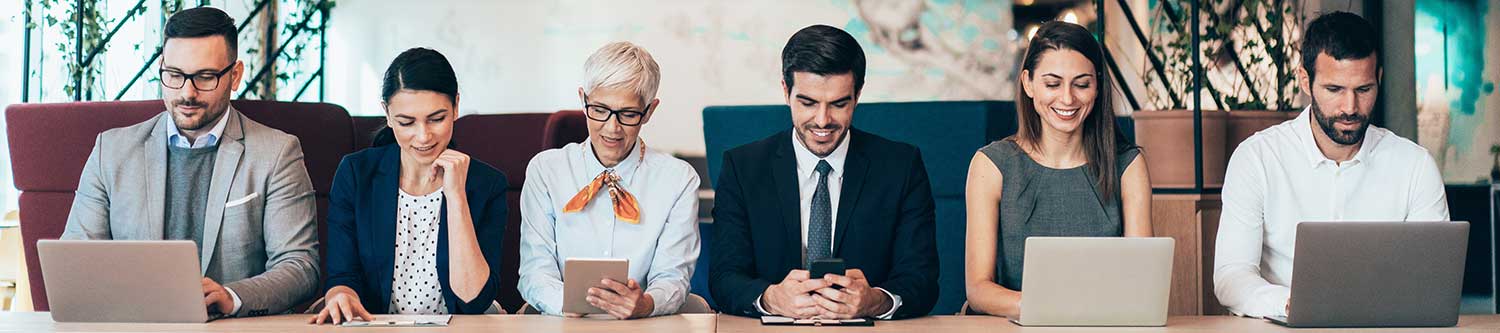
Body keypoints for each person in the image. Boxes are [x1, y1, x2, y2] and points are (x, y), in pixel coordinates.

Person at [61, 6, 319, 318]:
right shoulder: (111, 150)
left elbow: (300, 266)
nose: (187, 92)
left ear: (234, 75)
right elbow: (76, 260)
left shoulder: (277, 153)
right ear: (161, 68)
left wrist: (233, 296)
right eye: (174, 75)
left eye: (205, 77)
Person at [1213, 11, 1449, 318]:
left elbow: (1432, 278)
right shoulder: (1257, 159)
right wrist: (1289, 303)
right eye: (1334, 90)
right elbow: (1231, 277)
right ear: (1305, 81)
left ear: (1379, 79)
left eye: (1363, 90)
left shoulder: (1415, 166)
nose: (1350, 108)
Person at [708, 24, 939, 320]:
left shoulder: (901, 166)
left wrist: (876, 301)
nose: (822, 120)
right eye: (808, 103)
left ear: (857, 95)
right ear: (785, 91)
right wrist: (769, 298)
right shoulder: (742, 167)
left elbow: (922, 280)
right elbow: (724, 277)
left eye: (839, 104)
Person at [962, 21, 1153, 318]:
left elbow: (1141, 283)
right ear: (1028, 84)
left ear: (1098, 86)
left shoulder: (1128, 166)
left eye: (1082, 84)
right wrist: (1052, 307)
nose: (1067, 99)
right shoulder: (992, 165)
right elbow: (978, 290)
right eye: (1052, 84)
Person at [310, 47, 508, 324]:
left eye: (436, 119)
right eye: (406, 122)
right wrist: (342, 296)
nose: (423, 136)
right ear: (388, 115)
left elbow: (473, 299)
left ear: (456, 107)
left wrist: (456, 196)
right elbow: (343, 277)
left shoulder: (487, 184)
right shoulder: (356, 173)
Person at [517, 41, 700, 319]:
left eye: (628, 114)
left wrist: (646, 304)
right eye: (600, 110)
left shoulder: (678, 179)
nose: (612, 128)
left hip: (642, 325)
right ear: (583, 100)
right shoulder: (546, 170)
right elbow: (534, 270)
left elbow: (673, 276)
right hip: (563, 322)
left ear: (649, 111)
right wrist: (566, 304)